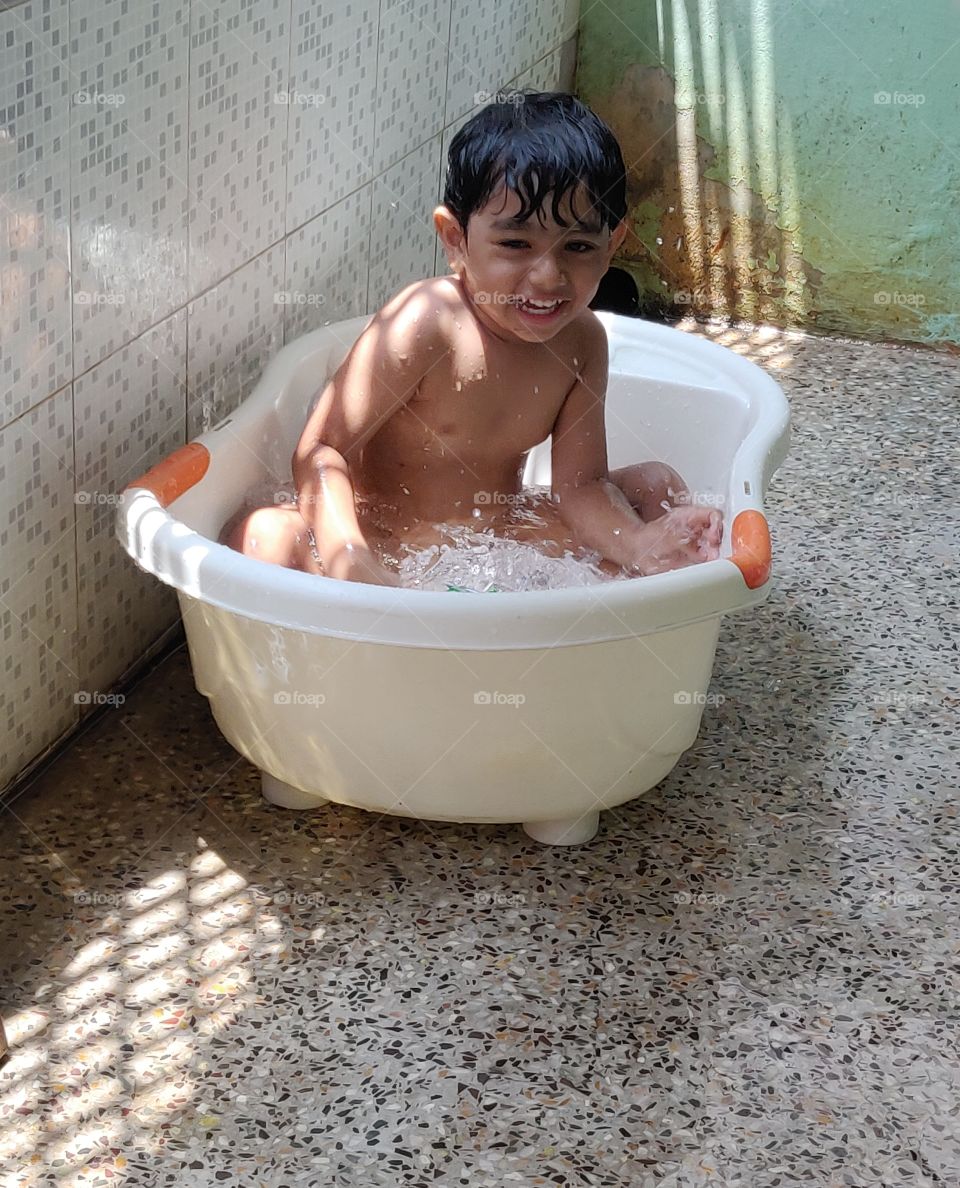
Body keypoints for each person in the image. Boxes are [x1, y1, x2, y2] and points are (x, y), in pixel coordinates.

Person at [220, 90, 722, 586]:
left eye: (578, 246)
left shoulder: (582, 343)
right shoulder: (425, 324)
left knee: (657, 488)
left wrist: (638, 544)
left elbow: (581, 486)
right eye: (515, 244)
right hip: (382, 539)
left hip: (497, 541)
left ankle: (640, 611)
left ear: (612, 245)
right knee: (262, 536)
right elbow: (320, 450)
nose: (548, 276)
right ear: (454, 239)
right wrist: (349, 557)